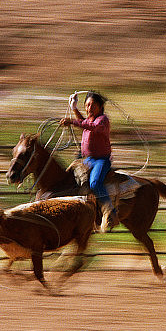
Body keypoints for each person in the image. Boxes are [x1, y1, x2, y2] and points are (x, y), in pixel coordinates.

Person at [60, 91, 118, 232]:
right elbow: (85, 123)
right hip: (88, 159)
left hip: (101, 160)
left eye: (93, 105)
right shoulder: (90, 121)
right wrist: (74, 108)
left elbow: (91, 126)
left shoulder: (103, 120)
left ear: (100, 106)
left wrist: (72, 121)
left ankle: (109, 211)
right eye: (87, 105)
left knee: (95, 183)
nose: (89, 108)